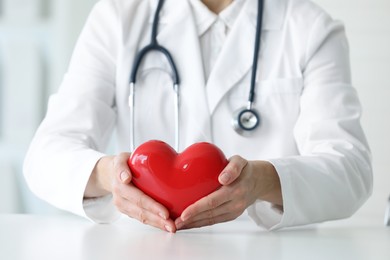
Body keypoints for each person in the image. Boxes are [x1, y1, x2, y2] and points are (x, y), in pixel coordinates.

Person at [23, 0, 372, 233]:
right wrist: (109, 175)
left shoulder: (308, 27)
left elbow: (351, 170)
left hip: (264, 249)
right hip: (145, 248)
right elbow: (45, 155)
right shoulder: (117, 16)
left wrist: (261, 181)